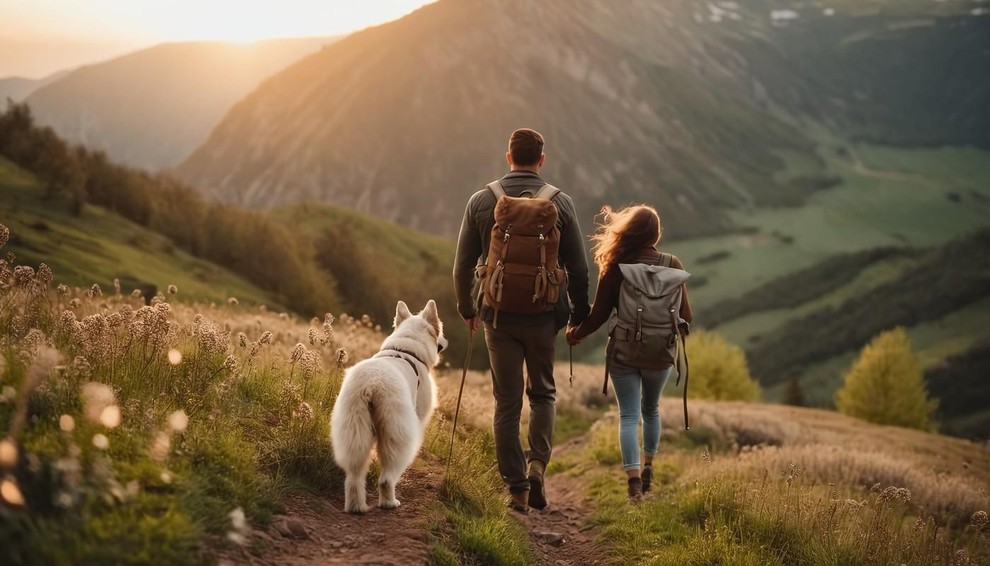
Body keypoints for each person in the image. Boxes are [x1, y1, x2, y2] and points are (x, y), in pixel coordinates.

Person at [453, 128, 590, 513]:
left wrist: (468, 308)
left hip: (497, 316)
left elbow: (462, 265)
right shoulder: (560, 204)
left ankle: (516, 489)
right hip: (545, 316)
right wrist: (578, 316)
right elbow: (579, 269)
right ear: (542, 160)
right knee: (543, 392)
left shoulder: (482, 200)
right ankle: (537, 467)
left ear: (507, 156)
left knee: (506, 402)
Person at [565, 204, 693, 501]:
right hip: (661, 353)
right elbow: (686, 315)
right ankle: (649, 465)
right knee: (651, 410)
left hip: (623, 351)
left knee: (628, 416)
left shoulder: (616, 267)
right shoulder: (672, 264)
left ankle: (633, 480)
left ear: (628, 232)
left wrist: (575, 334)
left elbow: (597, 316)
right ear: (656, 235)